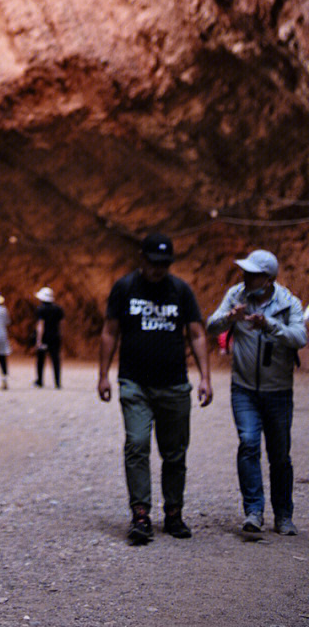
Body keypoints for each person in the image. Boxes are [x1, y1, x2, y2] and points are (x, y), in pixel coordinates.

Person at [98, 231, 213, 544]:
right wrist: (103, 374)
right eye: (153, 262)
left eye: (164, 263)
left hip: (174, 385)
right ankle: (140, 514)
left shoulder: (180, 290)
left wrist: (205, 376)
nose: (158, 268)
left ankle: (173, 513)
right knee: (136, 444)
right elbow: (110, 331)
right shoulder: (124, 288)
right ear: (142, 259)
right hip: (135, 383)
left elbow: (197, 333)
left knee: (174, 453)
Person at [205, 248, 306, 536]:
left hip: (278, 391)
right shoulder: (236, 295)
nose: (245, 277)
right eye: (245, 272)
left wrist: (269, 324)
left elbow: (299, 338)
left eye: (252, 273)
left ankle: (284, 515)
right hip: (244, 388)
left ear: (268, 278)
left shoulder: (288, 303)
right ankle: (253, 512)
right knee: (248, 444)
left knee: (279, 455)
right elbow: (212, 326)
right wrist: (229, 318)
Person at [33, 287, 64, 388]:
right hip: (55, 336)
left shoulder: (40, 309)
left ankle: (40, 381)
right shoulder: (58, 309)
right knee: (55, 359)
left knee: (41, 359)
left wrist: (38, 340)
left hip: (45, 337)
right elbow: (62, 324)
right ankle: (57, 382)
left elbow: (40, 325)